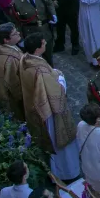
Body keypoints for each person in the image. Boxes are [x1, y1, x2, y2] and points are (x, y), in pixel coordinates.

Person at [20, 32, 80, 181]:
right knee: (60, 144)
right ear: (38, 48)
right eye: (43, 43)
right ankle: (66, 172)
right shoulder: (40, 70)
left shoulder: (25, 59)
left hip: (35, 108)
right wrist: (60, 79)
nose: (46, 44)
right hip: (50, 114)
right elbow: (57, 94)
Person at [11, 0, 56, 66]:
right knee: (35, 60)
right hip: (31, 33)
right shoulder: (17, 3)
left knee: (49, 57)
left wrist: (53, 15)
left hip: (45, 30)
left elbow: (49, 4)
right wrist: (21, 40)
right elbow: (17, 22)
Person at [0, 22, 26, 120]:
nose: (19, 33)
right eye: (15, 34)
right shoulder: (10, 59)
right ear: (6, 40)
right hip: (13, 98)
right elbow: (14, 83)